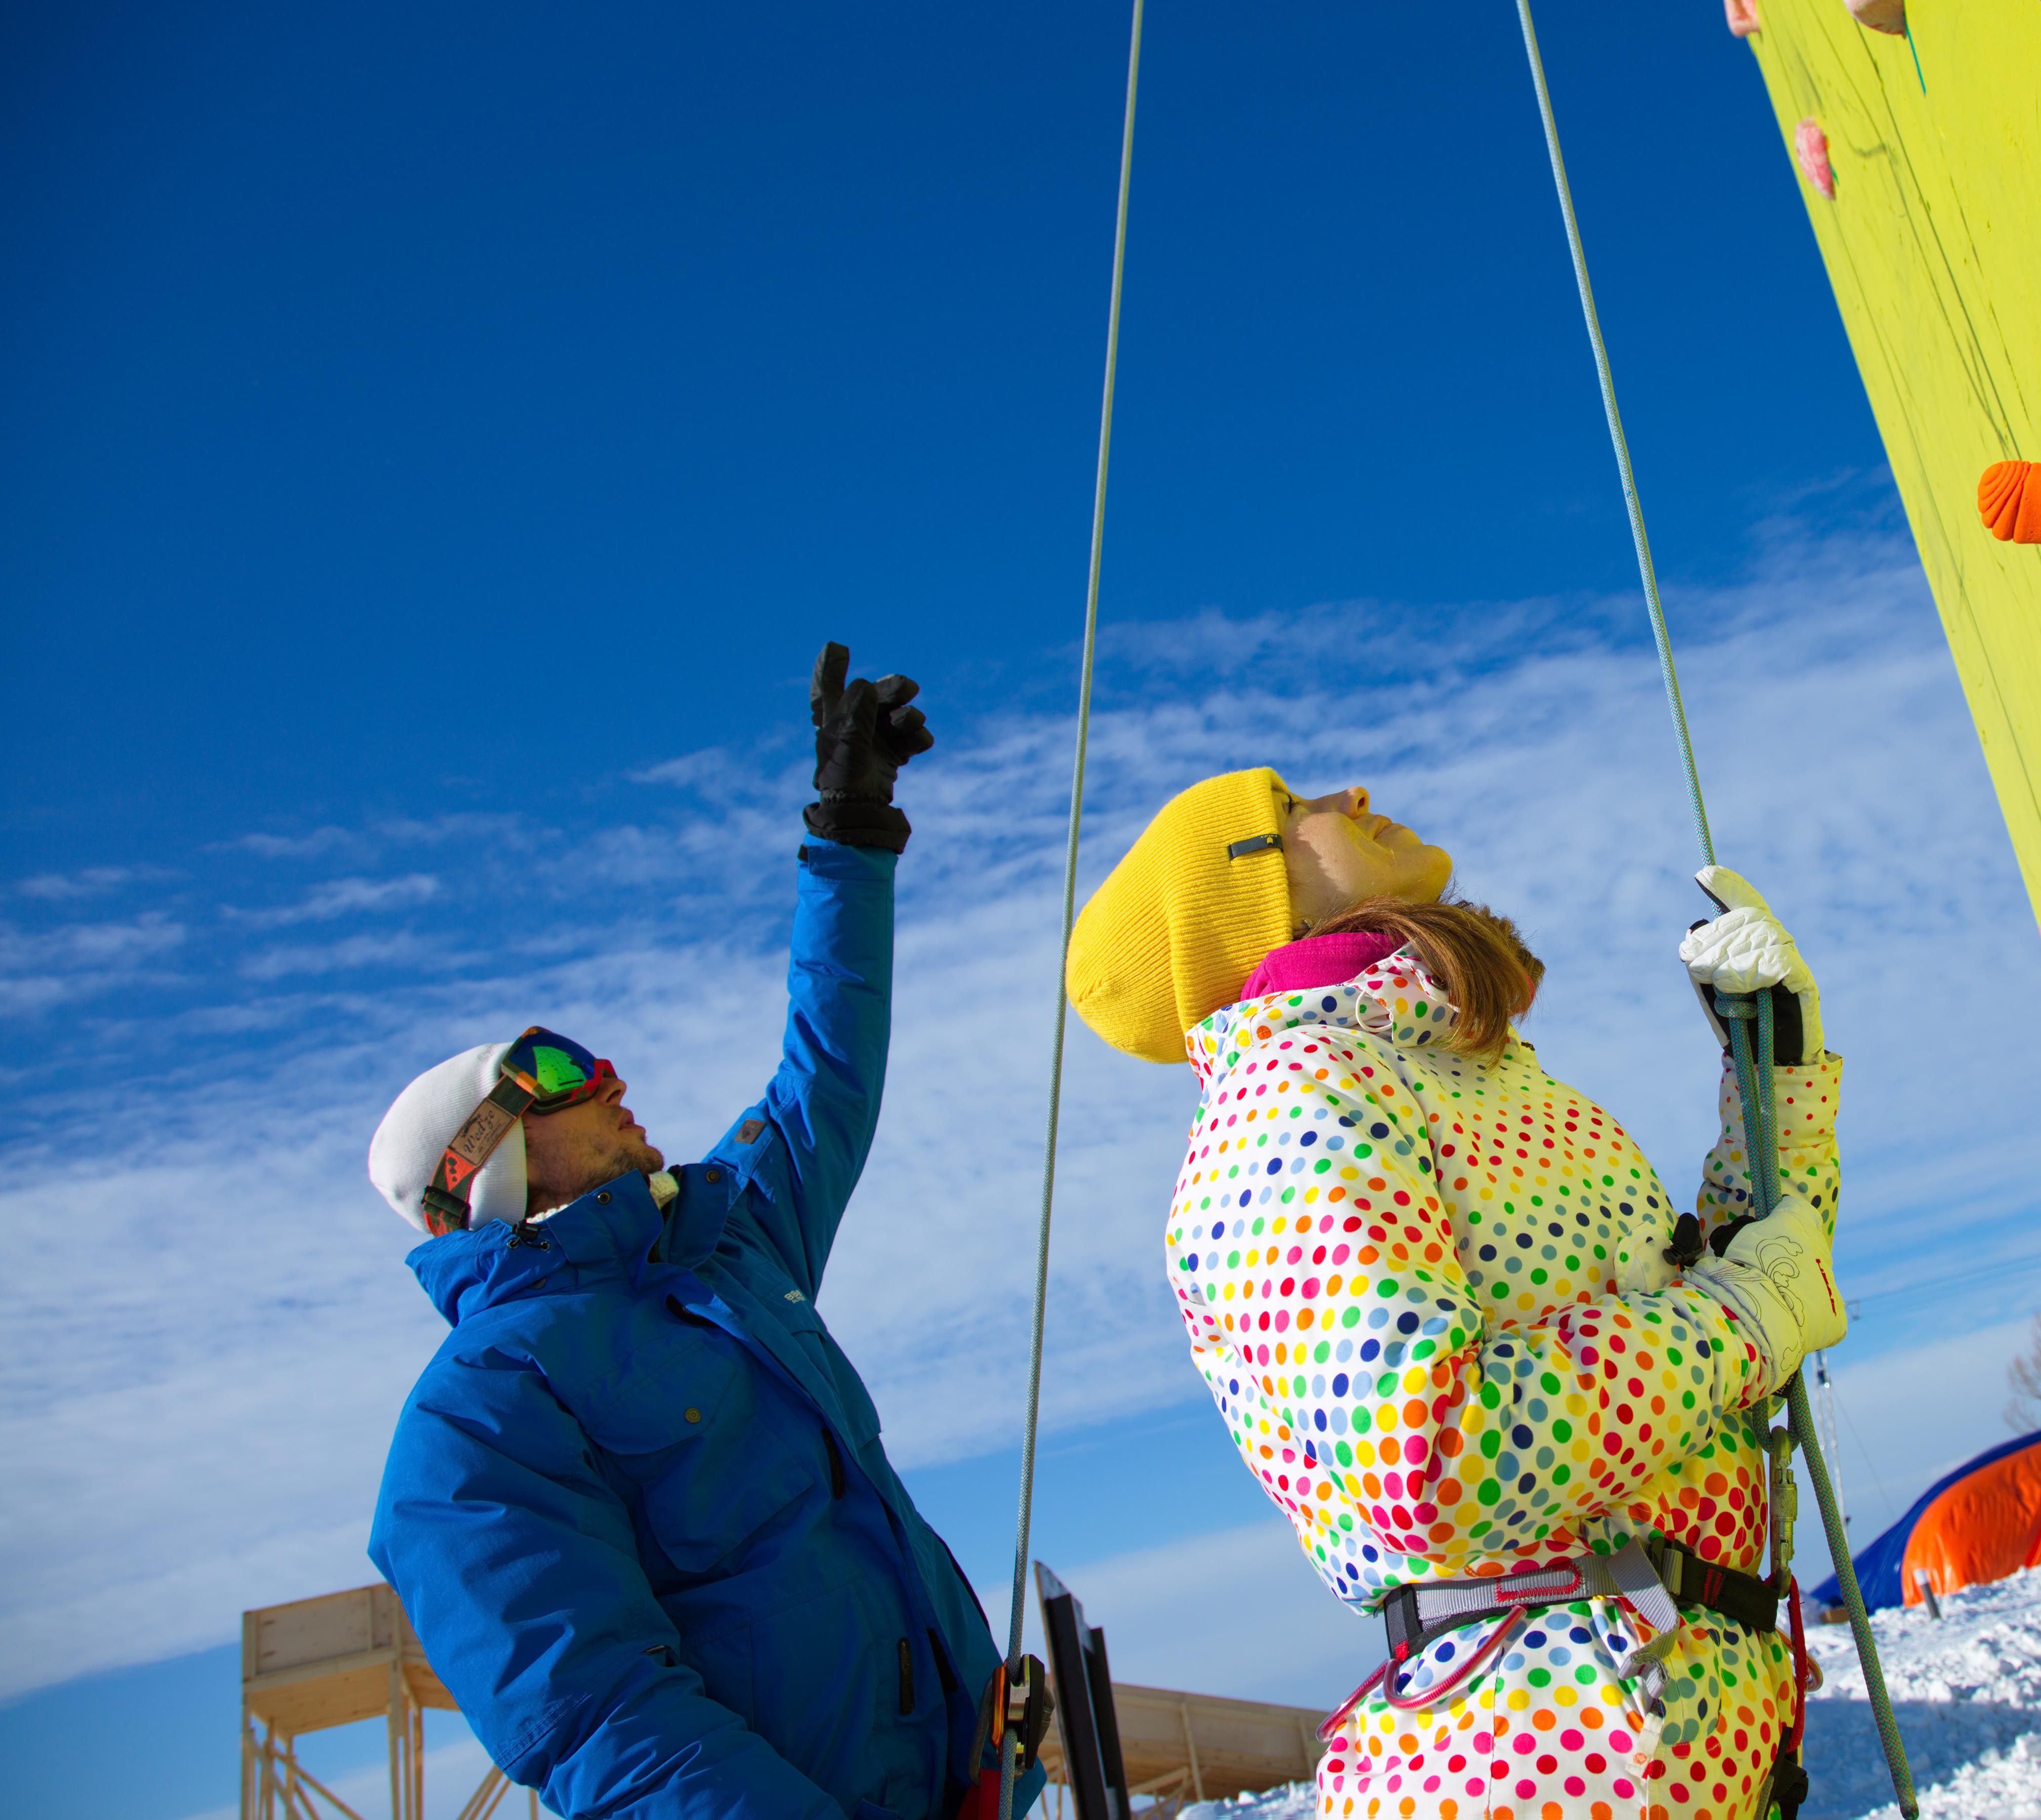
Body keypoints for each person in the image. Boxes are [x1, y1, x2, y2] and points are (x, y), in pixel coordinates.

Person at [1063, 770, 1847, 1820]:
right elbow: (1429, 1458)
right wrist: (1744, 1322)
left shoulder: (1469, 1073)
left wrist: (1774, 1076)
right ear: (1252, 901)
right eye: (1293, 805)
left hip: (1661, 1720)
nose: (1352, 791)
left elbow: (1745, 1288)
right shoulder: (1289, 1104)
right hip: (1537, 1755)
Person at [365, 646, 1028, 1820]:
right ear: (490, 1171)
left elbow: (823, 1071)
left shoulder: (721, 1245)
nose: (611, 1076)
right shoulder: (473, 1423)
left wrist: (851, 835)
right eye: (560, 1074)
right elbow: (599, 1718)